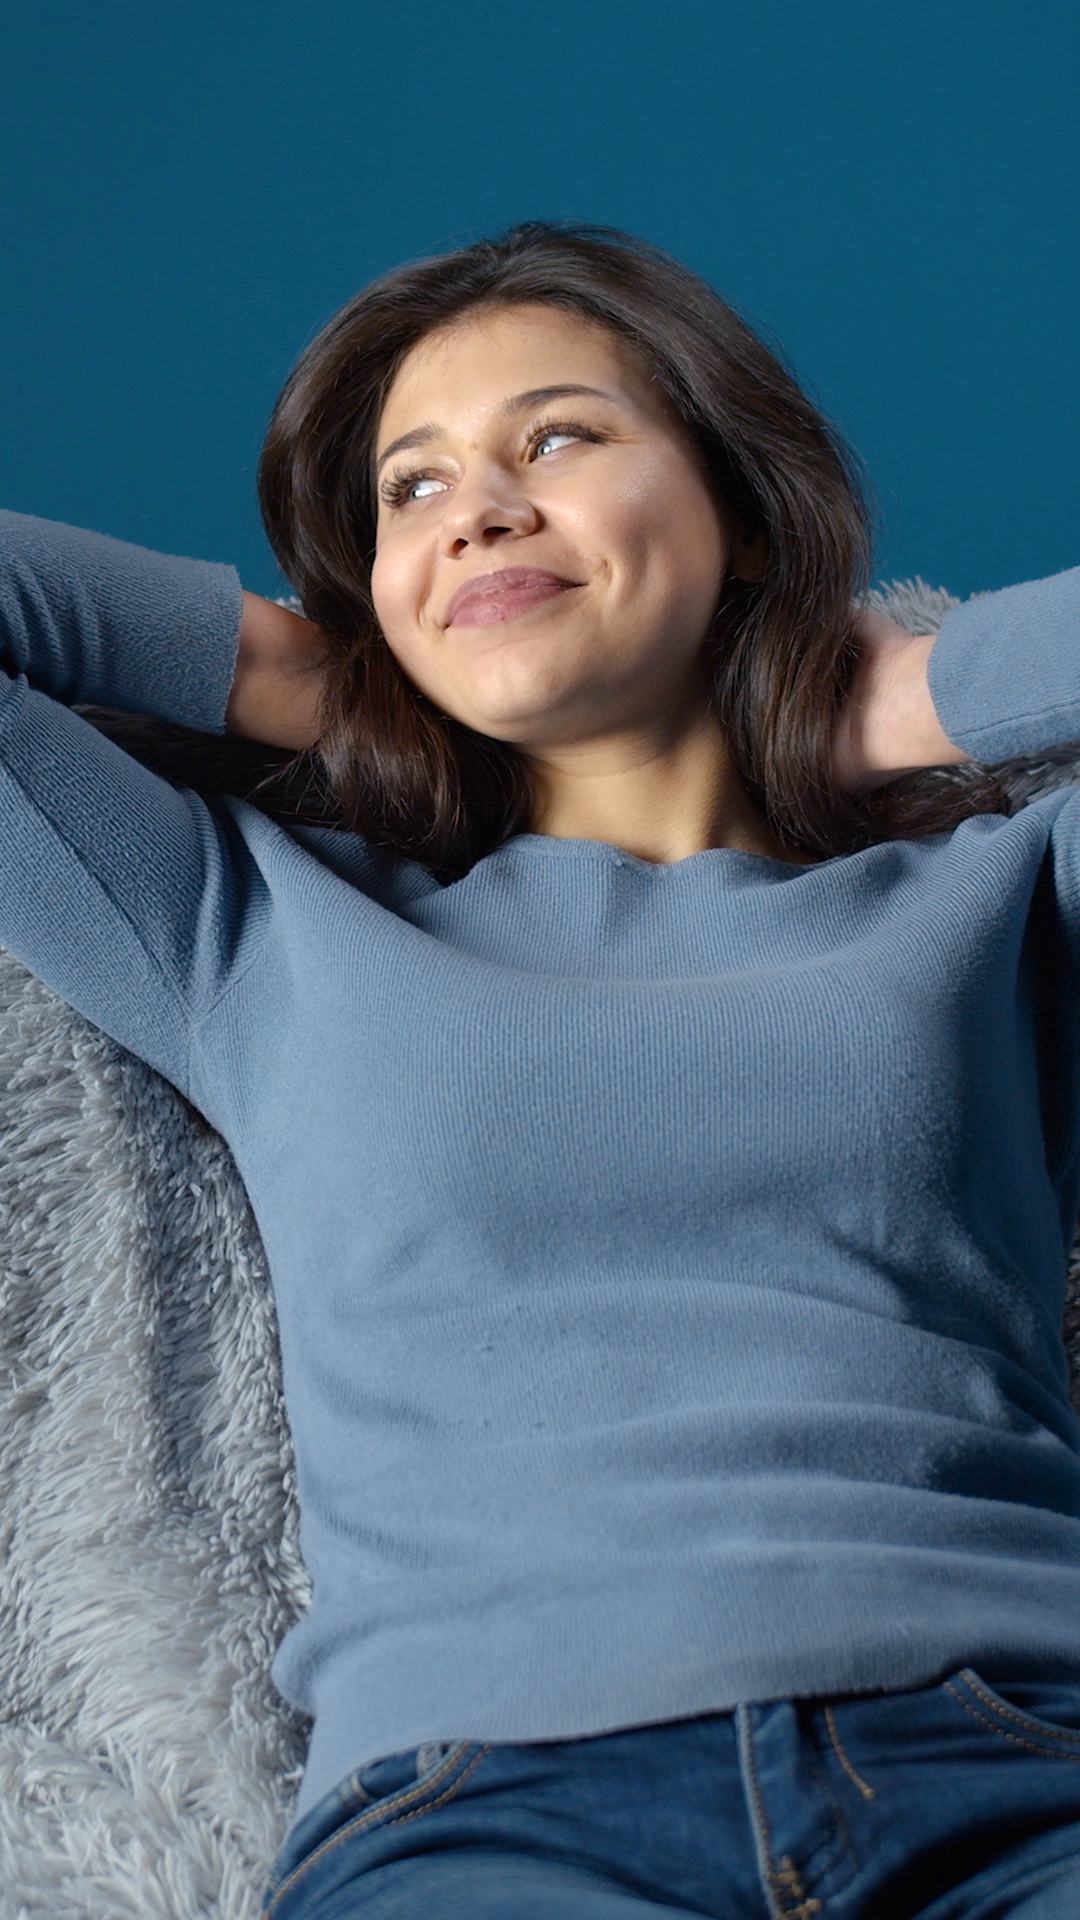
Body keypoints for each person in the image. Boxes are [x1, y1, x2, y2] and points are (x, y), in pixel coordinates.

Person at [2, 220, 1079, 1920]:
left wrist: (911, 700)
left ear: (740, 510)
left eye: (558, 438)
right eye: (412, 491)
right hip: (490, 1813)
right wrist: (318, 682)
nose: (479, 511)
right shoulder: (253, 924)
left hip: (1014, 1760)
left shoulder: (1002, 899)